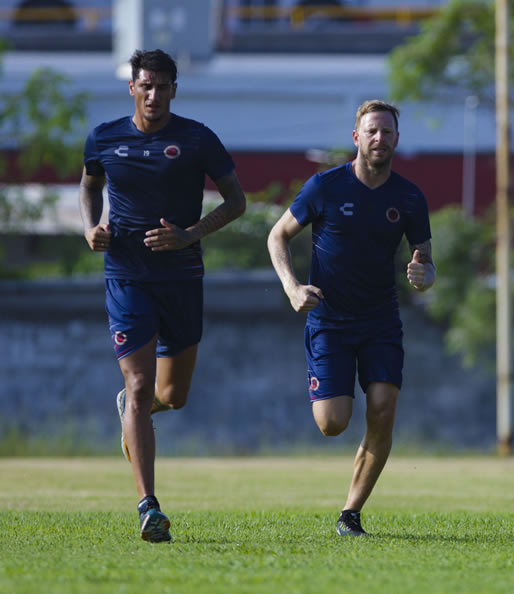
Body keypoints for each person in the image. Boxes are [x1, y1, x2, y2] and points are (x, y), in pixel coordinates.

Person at [79, 49, 247, 543]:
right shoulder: (103, 137)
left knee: (172, 395)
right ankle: (148, 507)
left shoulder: (197, 138)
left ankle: (134, 412)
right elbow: (89, 185)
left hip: (183, 278)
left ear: (175, 89)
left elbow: (238, 201)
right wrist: (92, 228)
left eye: (161, 86)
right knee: (139, 387)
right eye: (144, 85)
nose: (152, 95)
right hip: (127, 275)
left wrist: (190, 234)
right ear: (131, 87)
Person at [267, 99, 435, 537]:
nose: (380, 138)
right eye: (372, 131)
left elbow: (427, 263)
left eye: (387, 132)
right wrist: (292, 287)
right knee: (333, 423)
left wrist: (423, 275)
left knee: (382, 409)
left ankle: (351, 514)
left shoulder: (410, 197)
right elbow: (277, 235)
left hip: (381, 320)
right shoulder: (325, 187)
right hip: (330, 322)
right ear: (357, 137)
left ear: (397, 139)